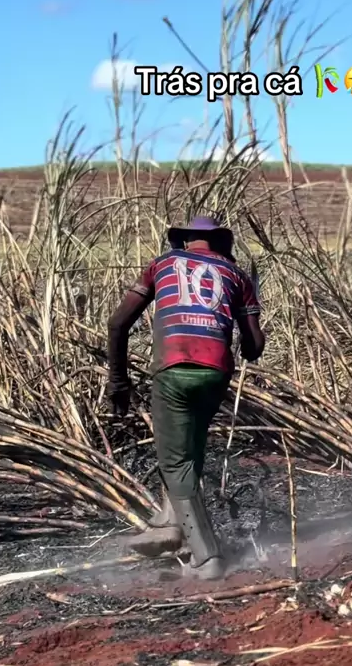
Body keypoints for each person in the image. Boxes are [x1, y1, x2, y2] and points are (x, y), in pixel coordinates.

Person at [107, 216, 265, 580]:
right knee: (186, 446)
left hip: (173, 367)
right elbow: (254, 347)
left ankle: (207, 558)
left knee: (176, 460)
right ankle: (169, 524)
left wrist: (118, 382)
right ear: (221, 244)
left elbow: (117, 324)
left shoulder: (161, 265)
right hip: (215, 373)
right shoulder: (237, 275)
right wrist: (246, 323)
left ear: (184, 241)